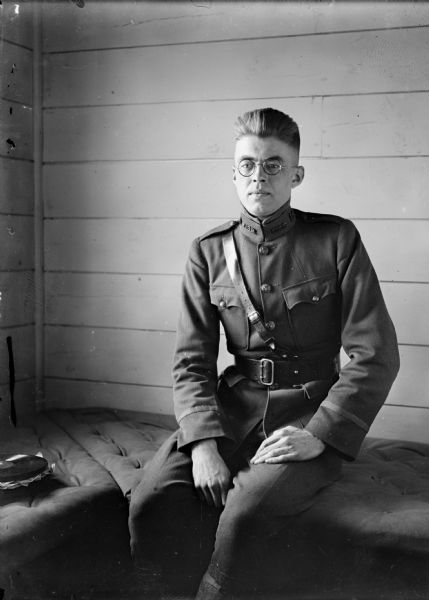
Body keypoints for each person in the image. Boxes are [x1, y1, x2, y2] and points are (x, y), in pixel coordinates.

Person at [129, 108, 400, 599]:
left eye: (274, 165)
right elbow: (191, 361)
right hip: (234, 406)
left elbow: (376, 353)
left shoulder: (337, 240)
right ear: (234, 174)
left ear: (296, 175)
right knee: (151, 501)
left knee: (246, 514)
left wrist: (321, 433)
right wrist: (204, 445)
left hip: (310, 408)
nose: (260, 176)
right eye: (248, 164)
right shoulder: (208, 252)